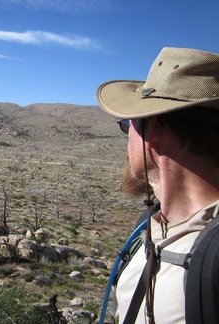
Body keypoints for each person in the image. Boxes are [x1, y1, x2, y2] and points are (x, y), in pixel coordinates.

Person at [96, 47, 219, 323]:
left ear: (155, 130)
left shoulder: (213, 257)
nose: (127, 139)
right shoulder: (150, 222)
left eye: (128, 126)